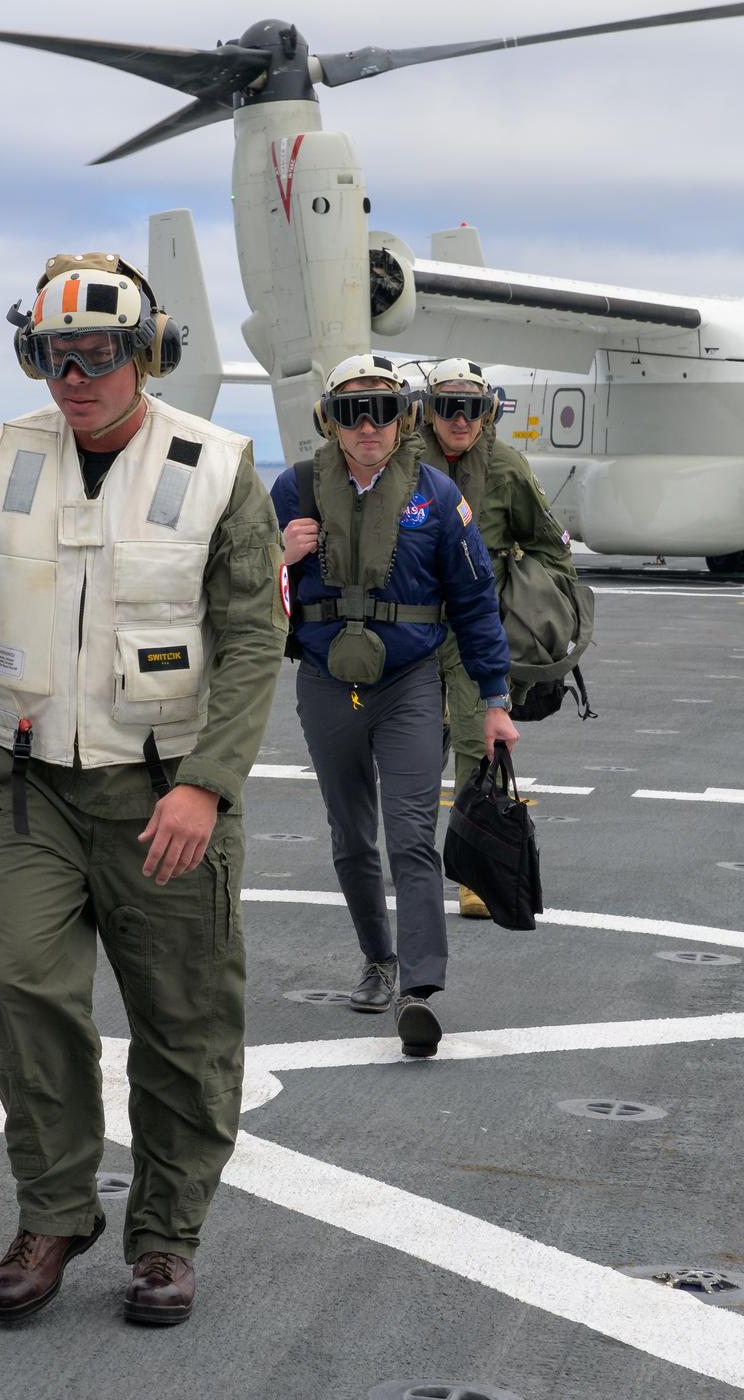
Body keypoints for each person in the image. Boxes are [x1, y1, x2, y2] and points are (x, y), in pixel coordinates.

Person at [0, 251, 285, 1328]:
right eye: (54, 353)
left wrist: (206, 786)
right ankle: (55, 1209)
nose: (76, 375)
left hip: (166, 792)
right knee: (19, 987)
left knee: (184, 1022)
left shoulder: (218, 466)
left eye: (100, 352)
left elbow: (255, 643)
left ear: (146, 353)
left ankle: (165, 1237)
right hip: (32, 791)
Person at [271, 354, 518, 1058]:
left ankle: (420, 990)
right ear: (331, 420)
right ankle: (377, 962)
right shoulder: (293, 491)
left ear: (402, 416)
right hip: (325, 682)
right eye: (352, 412)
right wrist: (274, 556)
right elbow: (237, 591)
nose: (369, 425)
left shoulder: (436, 497)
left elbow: (474, 603)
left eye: (382, 410)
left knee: (411, 836)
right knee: (351, 837)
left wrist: (494, 700)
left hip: (409, 684)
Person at [417, 357, 577, 919]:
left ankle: (475, 868)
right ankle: (413, 858)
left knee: (474, 739)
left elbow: (552, 546)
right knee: (404, 747)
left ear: (488, 412)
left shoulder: (507, 467)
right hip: (409, 627)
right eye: (448, 407)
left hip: (472, 630)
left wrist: (533, 597)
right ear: (428, 410)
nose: (461, 420)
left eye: (473, 408)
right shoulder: (402, 461)